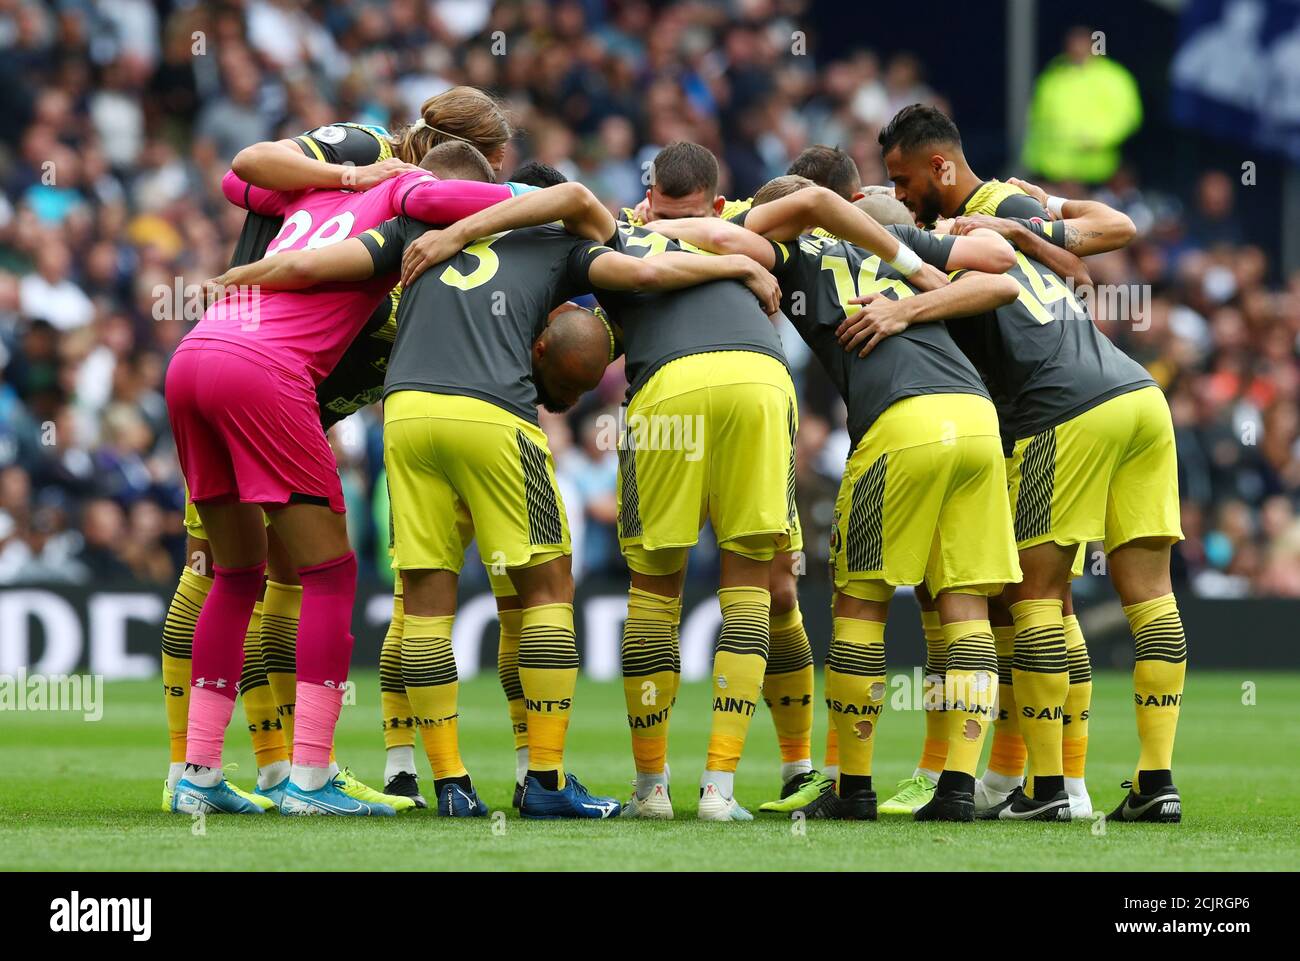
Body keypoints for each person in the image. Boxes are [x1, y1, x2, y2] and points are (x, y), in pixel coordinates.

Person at [166, 142, 522, 817]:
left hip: (194, 355)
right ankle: (310, 778)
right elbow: (488, 203)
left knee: (237, 573)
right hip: (264, 370)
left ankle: (198, 773)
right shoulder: (408, 193)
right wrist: (571, 207)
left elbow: (237, 175)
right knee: (329, 571)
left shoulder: (310, 192)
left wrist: (343, 173)